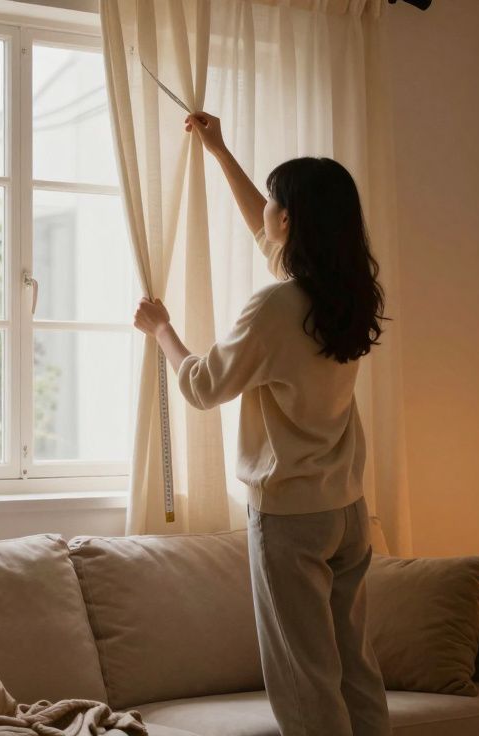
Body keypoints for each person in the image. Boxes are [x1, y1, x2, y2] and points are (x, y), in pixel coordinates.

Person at [131, 112, 391, 736]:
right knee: (355, 669)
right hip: (347, 510)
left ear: (291, 221)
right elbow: (263, 231)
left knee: (305, 681)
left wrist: (160, 328)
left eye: (275, 203)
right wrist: (220, 153)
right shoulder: (346, 293)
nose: (266, 212)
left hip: (290, 520)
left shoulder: (276, 306)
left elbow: (201, 387)